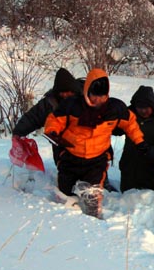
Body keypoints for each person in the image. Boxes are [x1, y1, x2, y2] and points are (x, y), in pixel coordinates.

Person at [44, 68, 146, 218]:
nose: (98, 100)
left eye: (102, 96)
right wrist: (52, 131)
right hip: (71, 155)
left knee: (92, 193)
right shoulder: (72, 105)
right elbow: (55, 119)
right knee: (65, 193)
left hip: (97, 159)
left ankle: (93, 218)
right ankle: (66, 217)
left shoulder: (115, 108)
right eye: (95, 96)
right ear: (87, 92)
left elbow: (130, 123)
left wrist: (139, 142)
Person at [12, 67, 82, 159]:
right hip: (61, 149)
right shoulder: (50, 102)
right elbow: (33, 117)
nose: (64, 95)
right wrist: (18, 132)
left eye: (67, 92)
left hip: (85, 145)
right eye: (61, 92)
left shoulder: (86, 97)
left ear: (73, 90)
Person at [117, 85, 154, 192]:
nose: (143, 111)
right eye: (140, 108)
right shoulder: (128, 116)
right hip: (130, 168)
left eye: (146, 108)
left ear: (152, 106)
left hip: (151, 170)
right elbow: (114, 129)